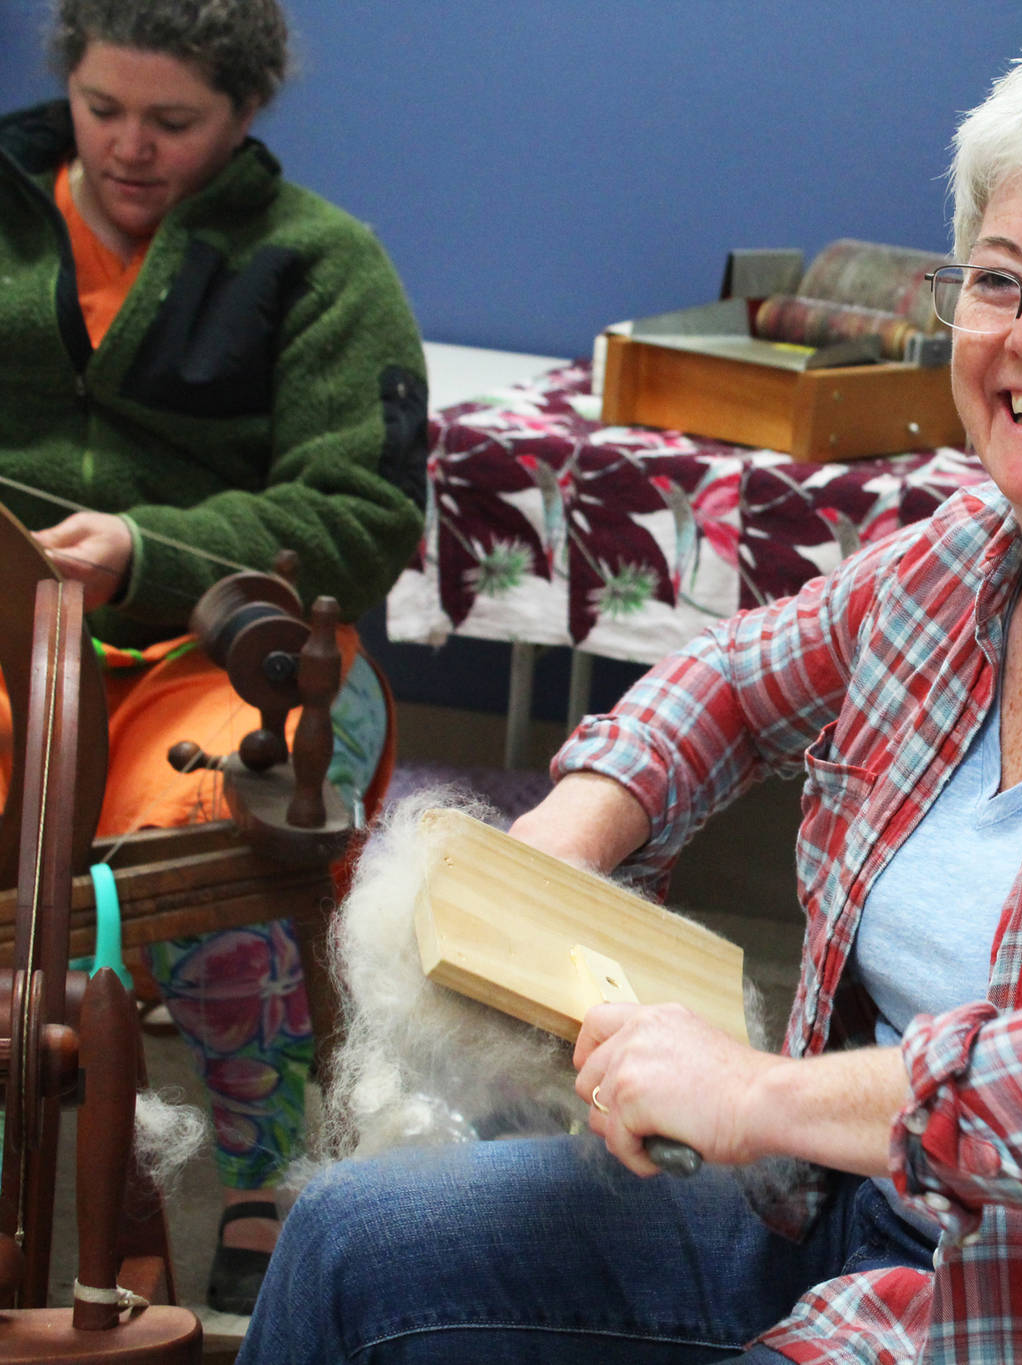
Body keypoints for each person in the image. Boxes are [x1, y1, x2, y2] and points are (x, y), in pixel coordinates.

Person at [243, 19, 1022, 1364]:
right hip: (853, 1210)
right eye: (1002, 281)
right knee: (345, 1245)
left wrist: (766, 1094)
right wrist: (577, 831)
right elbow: (732, 681)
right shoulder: (973, 555)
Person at [0, 0, 427, 1315]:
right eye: (103, 109)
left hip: (227, 640)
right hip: (12, 624)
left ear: (242, 114)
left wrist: (146, 549)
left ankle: (260, 1171)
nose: (130, 147)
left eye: (172, 122)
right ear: (65, 86)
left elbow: (361, 519)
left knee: (196, 855)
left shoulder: (321, 265)